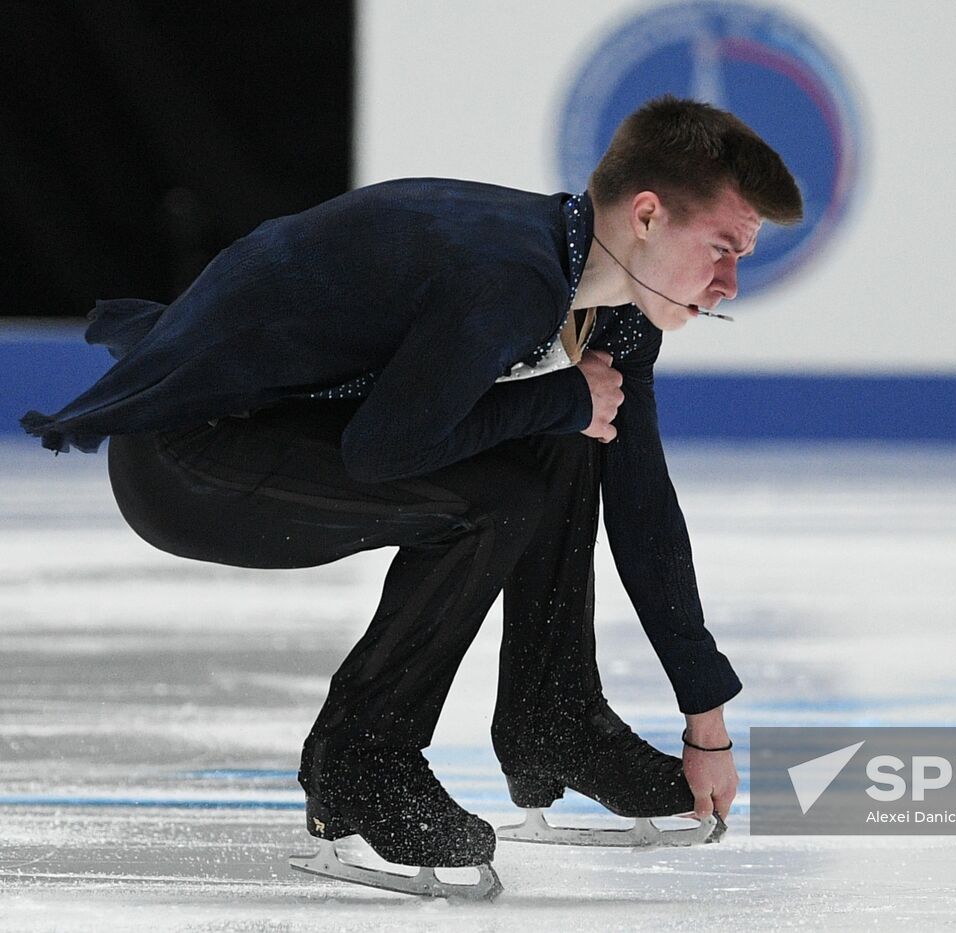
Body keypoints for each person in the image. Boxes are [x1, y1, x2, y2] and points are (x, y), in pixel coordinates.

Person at [20, 95, 803, 890]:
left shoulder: (608, 307)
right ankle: (359, 764)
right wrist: (564, 399)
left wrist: (705, 713)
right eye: (722, 249)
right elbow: (386, 448)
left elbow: (642, 504)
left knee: (560, 444)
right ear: (646, 216)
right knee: (503, 491)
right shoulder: (507, 272)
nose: (730, 282)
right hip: (189, 456)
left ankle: (552, 717)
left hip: (292, 429)